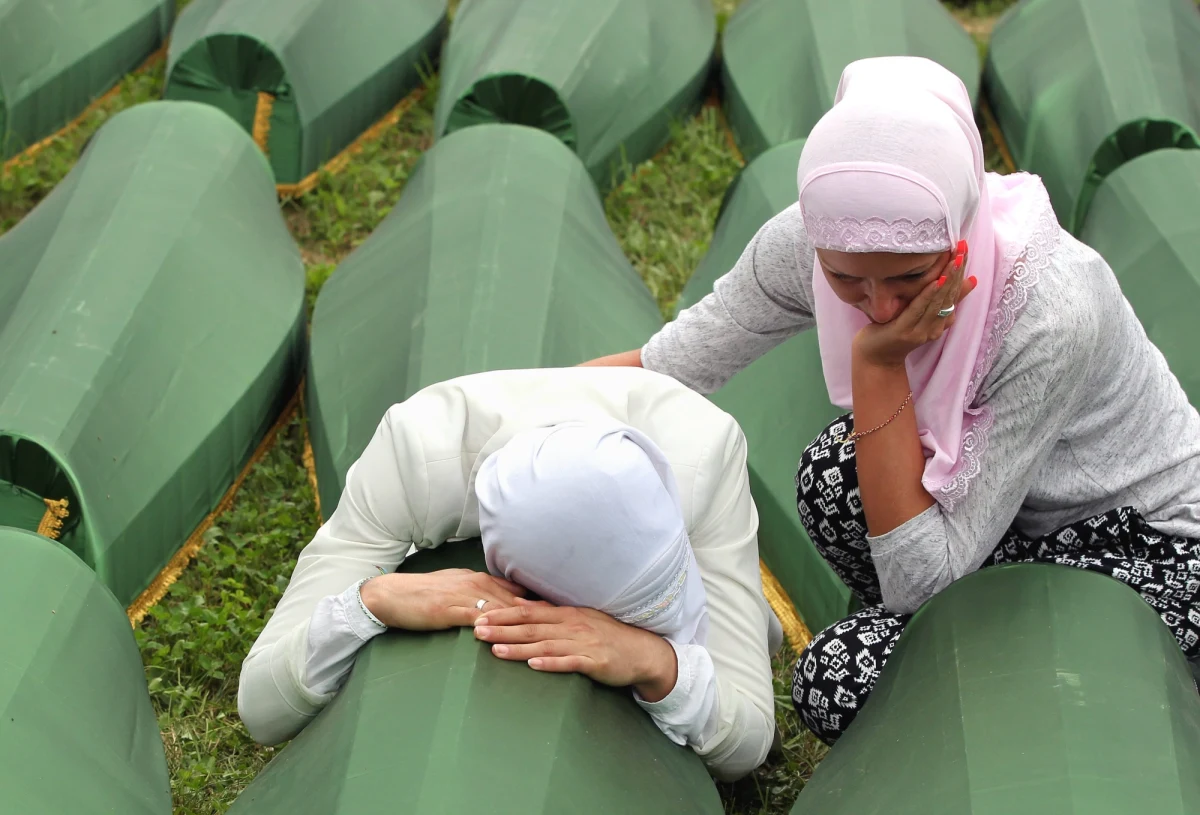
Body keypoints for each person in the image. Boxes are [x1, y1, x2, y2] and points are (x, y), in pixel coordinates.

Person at [583, 56, 1200, 745]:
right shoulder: (811, 242)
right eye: (846, 279)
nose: (878, 305)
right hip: (998, 522)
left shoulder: (1050, 310)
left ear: (960, 223)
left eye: (910, 275)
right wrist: (509, 417)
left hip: (1145, 547)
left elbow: (924, 583)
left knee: (835, 681)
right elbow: (666, 366)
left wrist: (878, 366)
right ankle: (942, 648)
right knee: (831, 477)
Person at [237, 366, 781, 780]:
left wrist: (653, 660)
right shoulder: (414, 458)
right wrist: (370, 601)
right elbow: (261, 708)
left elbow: (750, 737)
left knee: (751, 629)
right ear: (509, 575)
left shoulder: (705, 454)